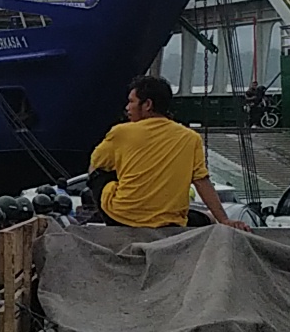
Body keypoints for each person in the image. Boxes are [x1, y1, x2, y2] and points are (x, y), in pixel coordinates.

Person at [88, 75, 249, 230]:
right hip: (169, 222)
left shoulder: (121, 132)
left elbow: (95, 166)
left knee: (98, 172)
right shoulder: (190, 137)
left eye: (131, 102)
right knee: (208, 218)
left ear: (148, 104)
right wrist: (224, 220)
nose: (127, 108)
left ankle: (100, 215)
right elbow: (201, 181)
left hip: (121, 218)